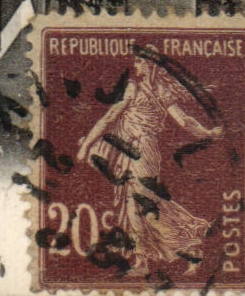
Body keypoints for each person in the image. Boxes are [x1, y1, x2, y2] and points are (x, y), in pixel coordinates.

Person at [77, 55, 224, 276]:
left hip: (143, 152)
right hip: (127, 151)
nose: (136, 66)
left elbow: (110, 117)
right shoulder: (143, 88)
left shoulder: (141, 89)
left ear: (151, 65)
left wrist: (86, 146)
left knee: (146, 205)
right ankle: (142, 260)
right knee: (131, 206)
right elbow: (112, 116)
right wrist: (207, 133)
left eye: (140, 62)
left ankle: (191, 245)